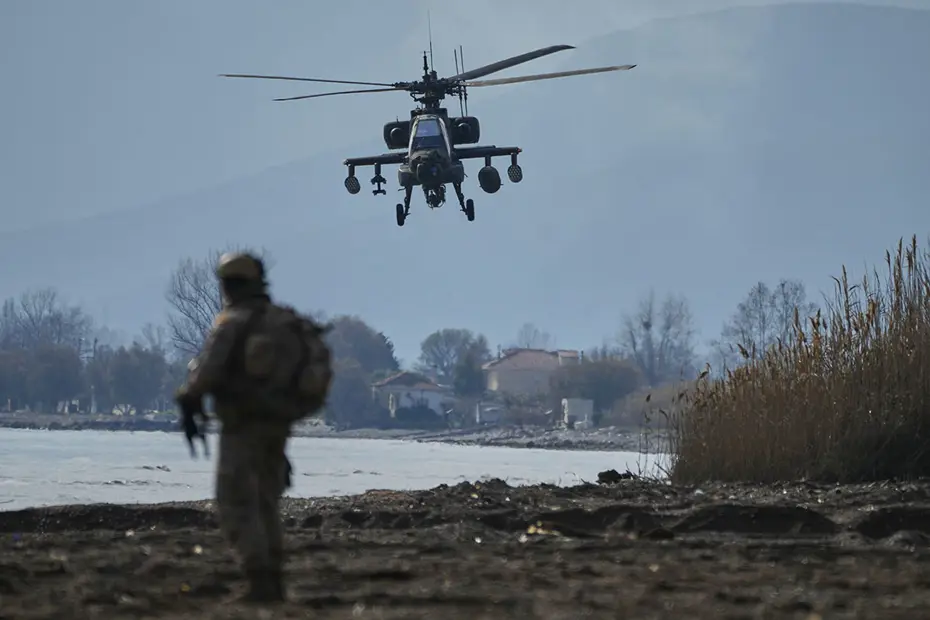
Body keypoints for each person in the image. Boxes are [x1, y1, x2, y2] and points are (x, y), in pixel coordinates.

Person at [175, 251, 331, 603]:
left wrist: (187, 396)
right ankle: (272, 578)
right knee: (265, 502)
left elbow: (206, 374)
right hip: (278, 425)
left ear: (229, 285)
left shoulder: (233, 322)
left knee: (236, 502)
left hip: (242, 425)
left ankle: (260, 579)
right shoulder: (284, 322)